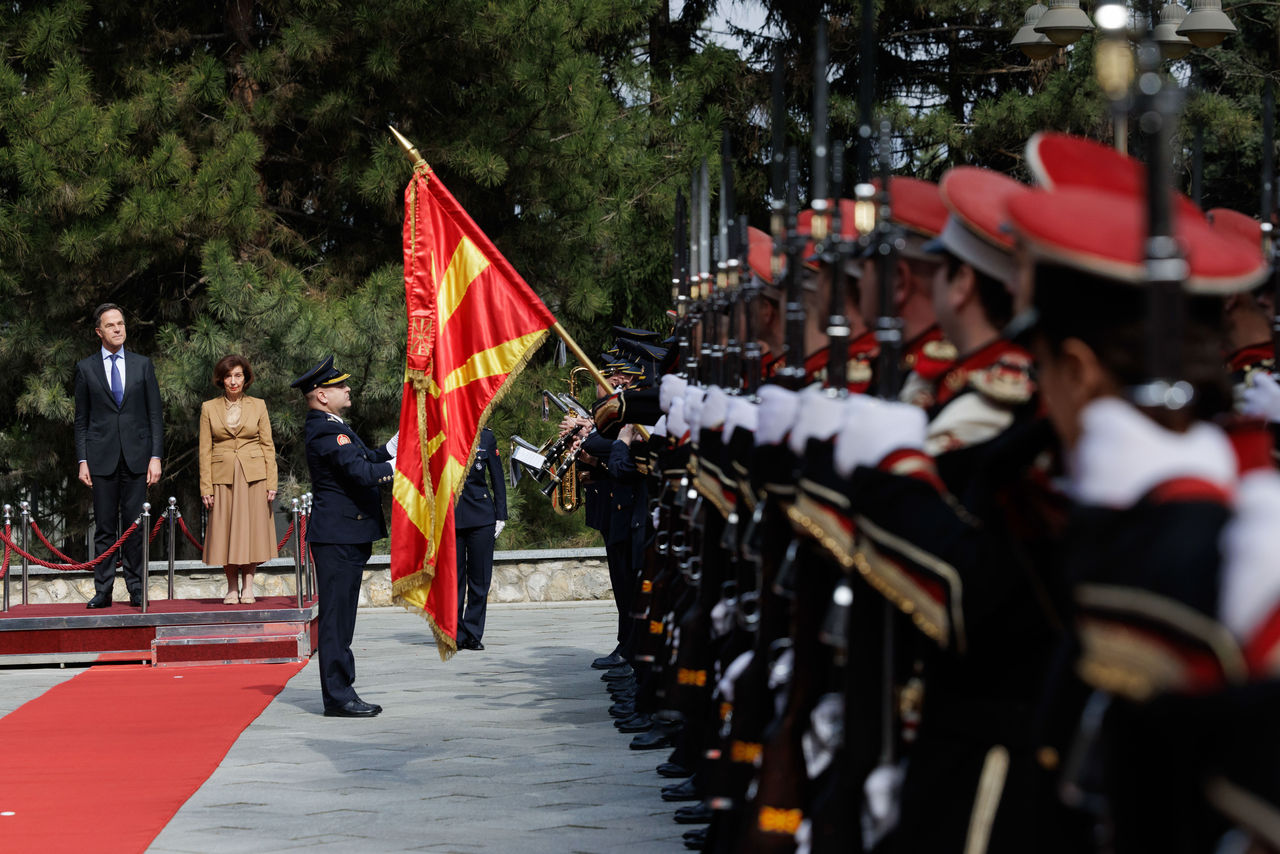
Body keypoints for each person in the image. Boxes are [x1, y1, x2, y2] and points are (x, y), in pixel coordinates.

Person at [291, 355, 395, 718]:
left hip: (346, 534)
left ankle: (343, 688)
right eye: (339, 386)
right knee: (336, 621)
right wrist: (401, 466)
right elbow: (362, 472)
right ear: (320, 395)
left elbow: (369, 456)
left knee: (343, 618)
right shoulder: (323, 428)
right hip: (338, 535)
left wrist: (398, 446)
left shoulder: (334, 424)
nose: (347, 388)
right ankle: (337, 696)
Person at [73, 303, 163, 609]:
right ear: (99, 331)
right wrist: (82, 459)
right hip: (100, 458)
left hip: (138, 456)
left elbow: (154, 416)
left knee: (135, 526)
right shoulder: (86, 369)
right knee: (105, 527)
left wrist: (156, 456)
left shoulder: (142, 365)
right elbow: (81, 420)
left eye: (121, 323)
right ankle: (104, 590)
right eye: (111, 325)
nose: (118, 329)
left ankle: (137, 587)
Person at [198, 355, 278, 605]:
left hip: (255, 477)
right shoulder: (208, 408)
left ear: (246, 378)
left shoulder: (259, 405)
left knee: (251, 532)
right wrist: (205, 486)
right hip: (222, 477)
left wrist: (272, 482)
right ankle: (231, 587)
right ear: (221, 379)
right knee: (225, 532)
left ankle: (248, 587)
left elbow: (268, 445)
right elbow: (204, 449)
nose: (233, 381)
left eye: (238, 376)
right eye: (228, 376)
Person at [455, 426, 507, 651]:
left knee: (479, 580)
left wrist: (501, 515)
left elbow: (497, 477)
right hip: (450, 517)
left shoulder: (485, 436)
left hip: (481, 516)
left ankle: (473, 633)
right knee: (454, 581)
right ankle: (455, 633)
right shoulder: (442, 433)